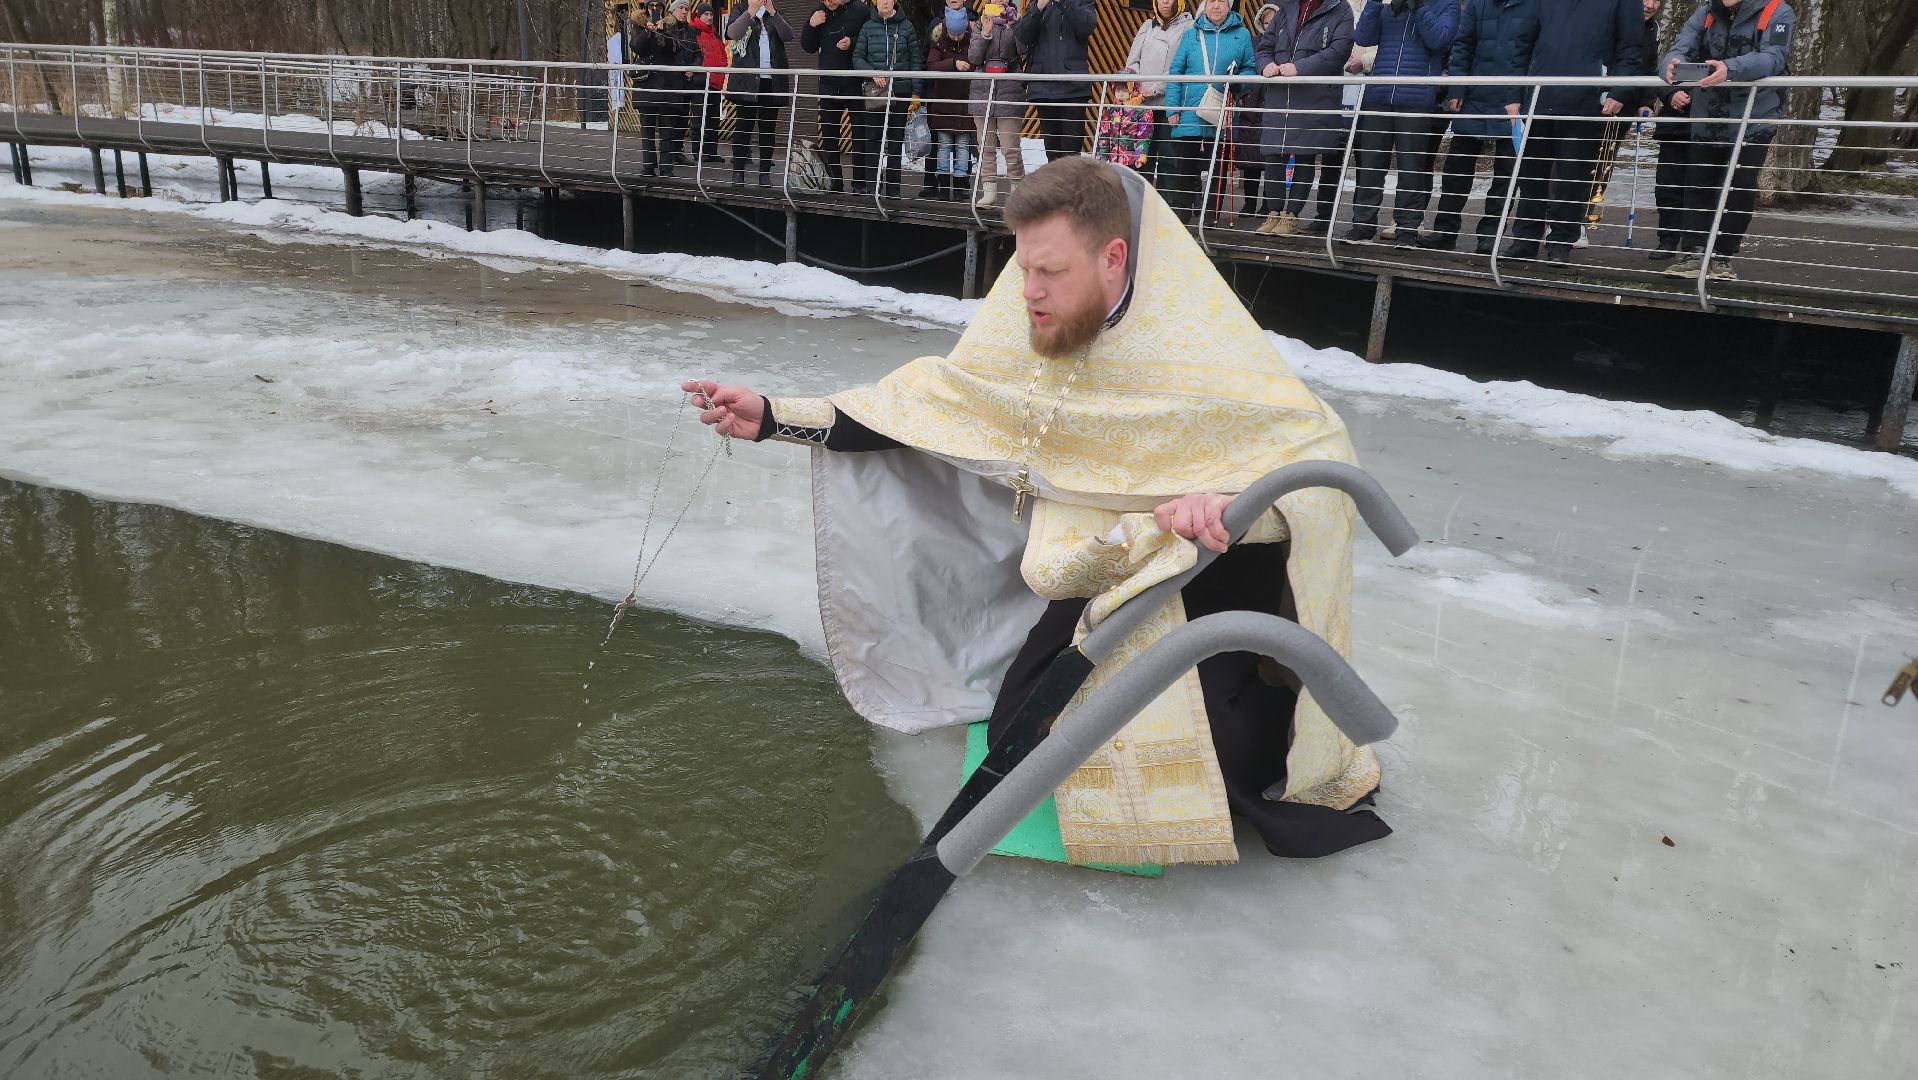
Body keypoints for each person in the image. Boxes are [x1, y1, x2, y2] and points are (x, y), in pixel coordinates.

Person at [681, 156, 1391, 866]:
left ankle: (1275, 707)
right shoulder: (1031, 316)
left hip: (1212, 579)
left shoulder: (1204, 347)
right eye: (1022, 269)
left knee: (1218, 763)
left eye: (1050, 272)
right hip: (1103, 566)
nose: (1029, 292)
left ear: (1113, 258)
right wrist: (774, 417)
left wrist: (1233, 504)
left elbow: (1318, 465)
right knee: (1025, 732)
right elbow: (939, 407)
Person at [1658, 0, 1793, 280]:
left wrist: (1730, 68)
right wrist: (1670, 66)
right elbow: (1680, 48)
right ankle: (1693, 254)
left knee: (1740, 187)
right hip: (1707, 115)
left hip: (1754, 118)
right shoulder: (1705, 12)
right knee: (1698, 185)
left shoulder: (1777, 11)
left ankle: (1722, 257)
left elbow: (1774, 57)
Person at [1502, 0, 1642, 263]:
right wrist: (1513, 94)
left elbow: (1631, 47)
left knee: (1572, 177)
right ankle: (1524, 241)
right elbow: (1522, 44)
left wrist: (1620, 90)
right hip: (1539, 97)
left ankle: (1561, 242)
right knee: (1531, 177)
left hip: (1586, 100)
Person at [1343, 0, 1458, 247]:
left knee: (1411, 169)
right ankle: (1362, 227)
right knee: (1370, 166)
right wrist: (1374, 3)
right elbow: (1363, 37)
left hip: (1416, 99)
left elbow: (1439, 40)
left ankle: (1406, 231)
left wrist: (1419, 7)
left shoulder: (1446, 5)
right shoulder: (1388, 7)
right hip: (1379, 95)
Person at [1427, 0, 1538, 252]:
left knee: (1506, 176)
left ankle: (1490, 236)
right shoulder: (1477, 4)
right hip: (1474, 97)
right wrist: (1457, 88)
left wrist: (1524, 96)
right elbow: (1463, 45)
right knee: (1456, 170)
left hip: (1515, 101)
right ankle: (1445, 231)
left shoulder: (1535, 5)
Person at [1251, 0, 1357, 236]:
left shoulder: (1340, 9)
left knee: (1305, 155)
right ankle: (1274, 212)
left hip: (1314, 97)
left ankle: (1291, 216)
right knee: (1273, 154)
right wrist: (1266, 65)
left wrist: (1301, 67)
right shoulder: (1286, 8)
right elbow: (1264, 47)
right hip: (1280, 97)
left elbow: (1339, 51)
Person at [1162, 0, 1255, 223]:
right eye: (1212, 1)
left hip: (1222, 109)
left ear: (1229, 6)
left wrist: (1238, 82)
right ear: (1205, 5)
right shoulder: (1190, 34)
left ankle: (1211, 216)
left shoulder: (1242, 35)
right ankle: (1182, 215)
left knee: (1218, 170)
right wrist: (1172, 109)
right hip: (1190, 110)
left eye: (1222, 1)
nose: (1216, 6)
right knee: (1185, 166)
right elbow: (1176, 72)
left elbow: (1250, 69)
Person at [851, 0, 924, 196]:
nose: (884, 2)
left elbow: (915, 61)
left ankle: (893, 189)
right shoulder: (868, 27)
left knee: (895, 140)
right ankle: (872, 187)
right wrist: (872, 72)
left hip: (901, 90)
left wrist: (916, 92)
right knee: (873, 139)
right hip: (876, 91)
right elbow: (857, 58)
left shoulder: (906, 27)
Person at [800, 0, 872, 192]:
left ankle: (860, 182)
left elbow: (870, 38)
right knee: (829, 137)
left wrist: (852, 42)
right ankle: (834, 181)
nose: (829, 2)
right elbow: (808, 46)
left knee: (860, 136)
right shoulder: (818, 11)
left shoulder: (860, 10)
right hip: (828, 84)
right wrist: (811, 25)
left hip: (855, 82)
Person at [1123, 0, 1195, 185]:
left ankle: (1166, 202)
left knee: (1169, 160)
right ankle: (1141, 199)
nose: (1165, 1)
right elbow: (1132, 62)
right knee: (1141, 159)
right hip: (1143, 106)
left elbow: (1182, 65)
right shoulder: (1147, 26)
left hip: (1170, 105)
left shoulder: (1189, 27)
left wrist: (1155, 88)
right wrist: (1138, 87)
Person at [1016, 0, 1099, 162]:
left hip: (1073, 87)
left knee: (1071, 152)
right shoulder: (1037, 3)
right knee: (1052, 150)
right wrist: (1038, 8)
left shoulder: (1082, 2)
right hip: (1043, 86)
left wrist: (1065, 4)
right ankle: (1055, 179)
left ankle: (1071, 180)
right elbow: (1022, 35)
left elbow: (1086, 27)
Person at [726, 0, 797, 186]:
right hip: (747, 80)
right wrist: (750, 12)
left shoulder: (775, 13)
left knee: (768, 128)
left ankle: (764, 173)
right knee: (743, 127)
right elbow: (732, 33)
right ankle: (738, 172)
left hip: (771, 81)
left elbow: (788, 35)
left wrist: (773, 12)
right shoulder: (740, 9)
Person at [631, 0, 702, 176]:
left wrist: (662, 32)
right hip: (647, 84)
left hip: (668, 84)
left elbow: (676, 49)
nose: (655, 9)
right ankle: (648, 166)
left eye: (658, 6)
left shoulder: (671, 25)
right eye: (651, 6)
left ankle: (666, 168)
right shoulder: (640, 25)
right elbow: (636, 47)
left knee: (667, 129)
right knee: (647, 129)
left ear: (663, 9)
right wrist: (648, 31)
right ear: (646, 8)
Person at [969, 0, 1028, 207]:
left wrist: (1015, 25)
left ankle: (1017, 192)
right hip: (982, 89)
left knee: (1011, 146)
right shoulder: (980, 22)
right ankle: (989, 192)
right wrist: (985, 33)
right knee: (985, 145)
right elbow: (973, 57)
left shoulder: (1017, 20)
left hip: (1009, 88)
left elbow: (1024, 50)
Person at [925, 0, 979, 200]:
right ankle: (942, 184)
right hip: (944, 101)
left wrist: (967, 66)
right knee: (944, 144)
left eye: (960, 34)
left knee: (963, 145)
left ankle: (959, 184)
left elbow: (978, 61)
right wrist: (953, 64)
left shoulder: (973, 40)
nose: (956, 38)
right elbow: (931, 66)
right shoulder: (938, 40)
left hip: (965, 102)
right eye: (953, 34)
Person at [688, 3, 731, 165]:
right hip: (700, 83)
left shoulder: (716, 35)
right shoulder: (693, 32)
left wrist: (722, 72)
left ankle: (711, 152)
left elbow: (723, 55)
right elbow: (690, 55)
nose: (709, 17)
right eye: (705, 14)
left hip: (715, 83)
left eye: (711, 14)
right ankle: (698, 152)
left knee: (713, 120)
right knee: (700, 119)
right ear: (698, 16)